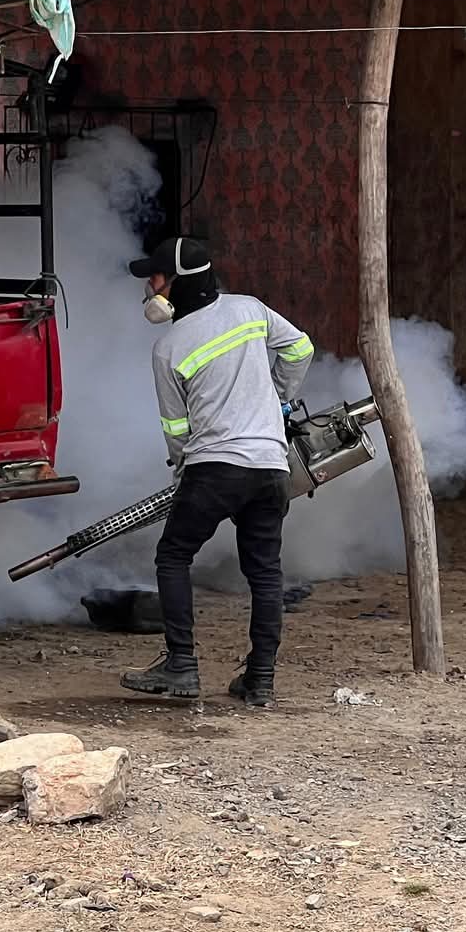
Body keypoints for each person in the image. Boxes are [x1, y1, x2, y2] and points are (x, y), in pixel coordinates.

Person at [119, 236, 315, 707]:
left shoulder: (168, 348)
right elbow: (300, 349)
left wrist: (183, 474)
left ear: (177, 284)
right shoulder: (250, 309)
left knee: (173, 555)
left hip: (215, 468)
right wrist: (280, 401)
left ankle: (181, 665)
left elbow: (177, 430)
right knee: (265, 573)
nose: (150, 287)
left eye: (156, 278)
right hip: (271, 466)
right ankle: (260, 679)